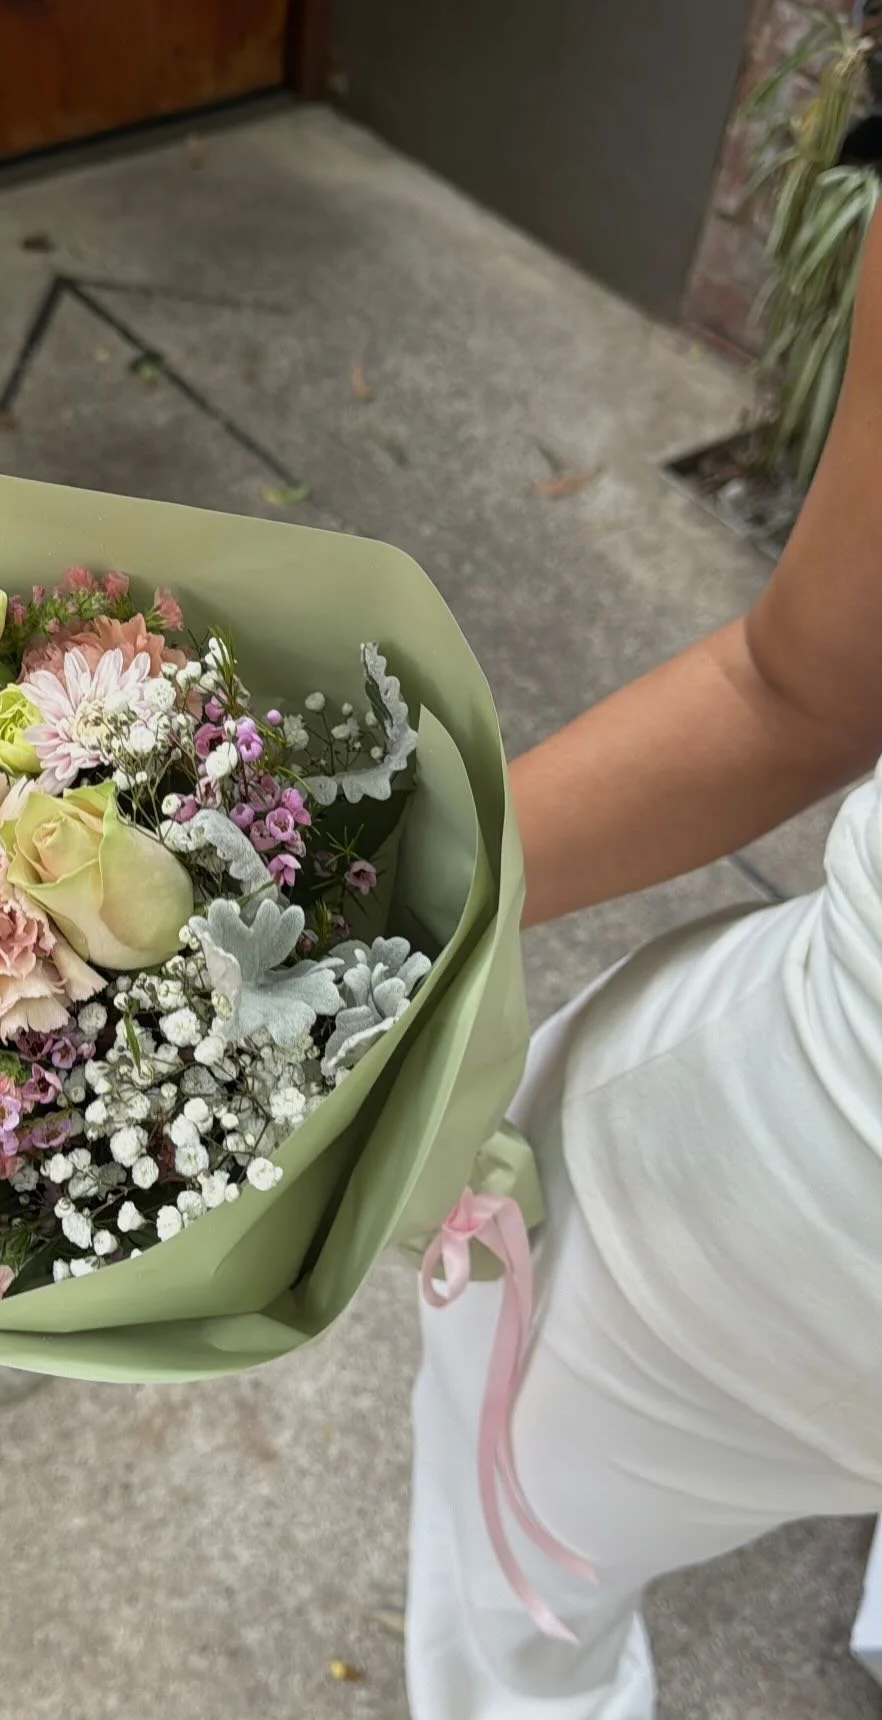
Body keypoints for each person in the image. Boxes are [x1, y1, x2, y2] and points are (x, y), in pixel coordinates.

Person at [406, 212, 882, 1719]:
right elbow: (794, 686)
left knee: (517, 1570)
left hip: (774, 1215)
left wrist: (386, 901)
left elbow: (801, 683)